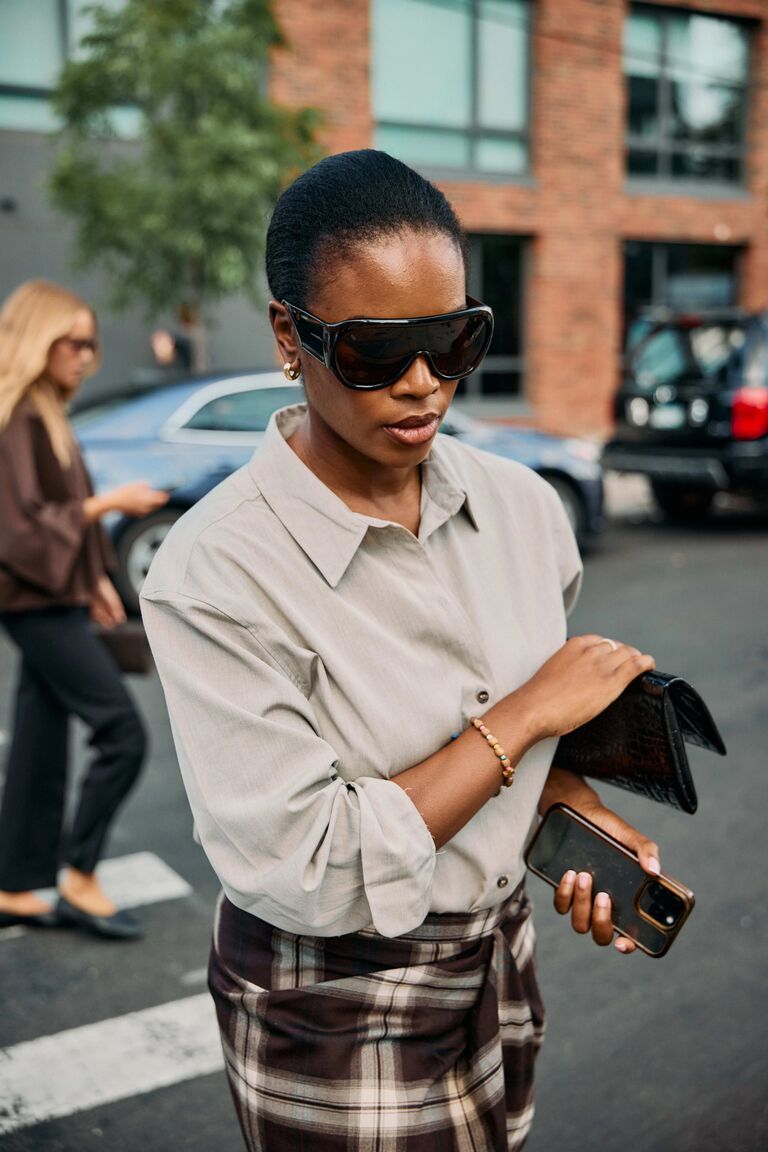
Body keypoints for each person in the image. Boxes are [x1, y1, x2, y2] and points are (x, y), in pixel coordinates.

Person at [141, 151, 662, 1151]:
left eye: (454, 338)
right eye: (378, 351)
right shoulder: (215, 571)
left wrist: (577, 816)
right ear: (291, 336)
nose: (424, 384)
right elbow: (318, 865)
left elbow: (517, 778)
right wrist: (529, 713)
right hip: (327, 994)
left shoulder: (521, 509)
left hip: (498, 956)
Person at [0, 280, 169, 939]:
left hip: (53, 596)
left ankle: (14, 885)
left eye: (90, 343)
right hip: (34, 603)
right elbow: (17, 530)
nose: (85, 355)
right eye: (71, 342)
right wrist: (108, 506)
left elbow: (51, 516)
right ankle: (79, 874)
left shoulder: (43, 409)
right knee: (122, 733)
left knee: (38, 744)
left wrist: (97, 577)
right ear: (36, 340)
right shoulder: (17, 415)